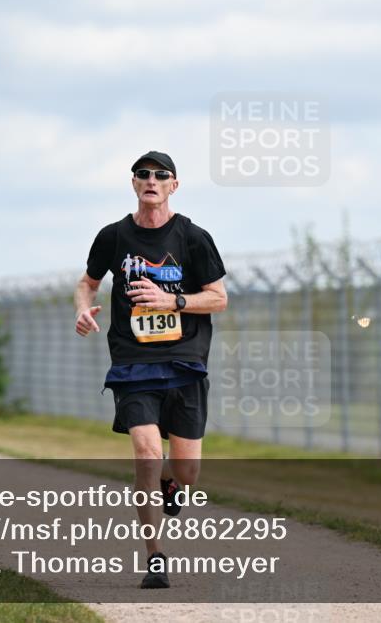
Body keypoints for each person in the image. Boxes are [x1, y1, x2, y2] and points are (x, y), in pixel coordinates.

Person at [75, 151, 227, 588]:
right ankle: (155, 555)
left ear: (173, 185)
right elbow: (86, 283)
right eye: (143, 174)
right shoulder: (113, 236)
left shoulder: (193, 237)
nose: (151, 180)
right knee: (146, 452)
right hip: (134, 362)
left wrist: (172, 300)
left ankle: (172, 484)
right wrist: (83, 309)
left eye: (161, 175)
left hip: (184, 361)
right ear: (134, 183)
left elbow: (218, 298)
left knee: (187, 472)